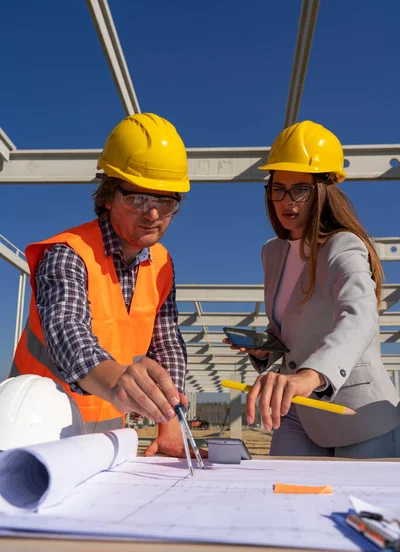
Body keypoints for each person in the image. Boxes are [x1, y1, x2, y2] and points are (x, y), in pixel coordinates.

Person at [10, 112, 193, 458]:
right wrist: (119, 381)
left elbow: (166, 344)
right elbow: (67, 331)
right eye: (138, 198)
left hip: (104, 440)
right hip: (36, 431)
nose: (152, 214)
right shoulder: (67, 254)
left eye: (165, 201)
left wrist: (169, 424)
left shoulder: (162, 264)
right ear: (108, 196)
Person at [225, 120, 400, 458]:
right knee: (285, 502)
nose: (286, 201)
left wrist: (309, 376)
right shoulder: (272, 253)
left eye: (300, 189)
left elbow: (359, 318)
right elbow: (287, 329)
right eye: (278, 189)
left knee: (356, 509)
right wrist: (265, 349)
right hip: (297, 413)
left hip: (358, 415)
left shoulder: (344, 246)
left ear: (323, 190)